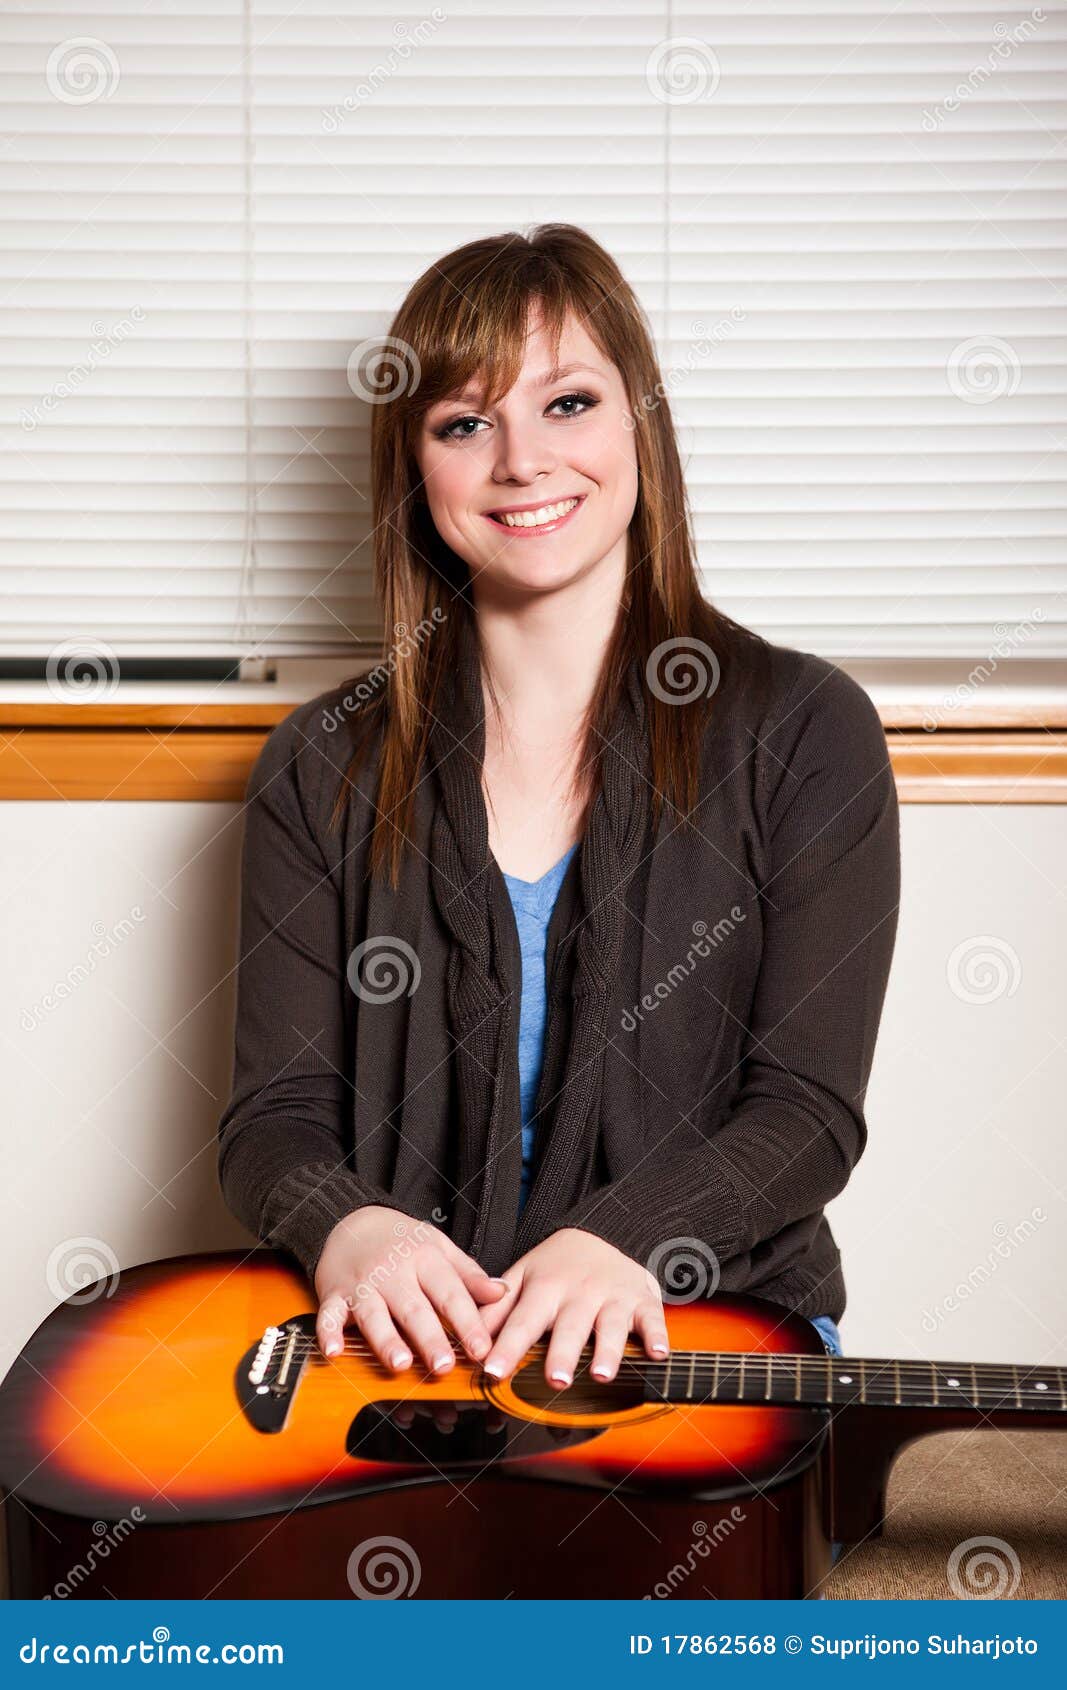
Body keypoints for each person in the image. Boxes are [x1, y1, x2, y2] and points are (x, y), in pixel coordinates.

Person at [217, 224, 899, 1395]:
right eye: (464, 423)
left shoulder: (805, 730)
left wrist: (626, 1236)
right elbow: (272, 1118)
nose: (521, 462)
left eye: (568, 403)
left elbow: (804, 1111)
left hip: (714, 1325)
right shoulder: (317, 762)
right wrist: (349, 1229)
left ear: (640, 419)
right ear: (414, 466)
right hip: (410, 1356)